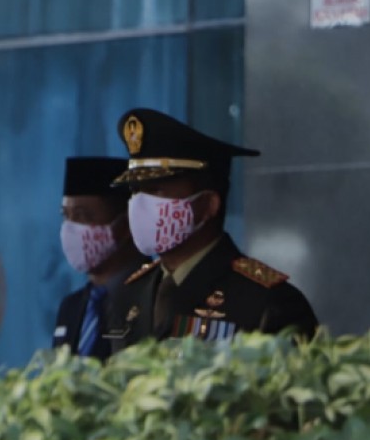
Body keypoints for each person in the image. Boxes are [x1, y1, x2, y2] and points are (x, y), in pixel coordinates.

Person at [101, 108, 317, 353]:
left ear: (207, 205)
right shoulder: (128, 292)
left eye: (156, 191)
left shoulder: (267, 301)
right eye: (135, 190)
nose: (139, 204)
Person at [51, 156, 142, 359]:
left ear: (126, 225)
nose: (71, 229)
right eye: (66, 216)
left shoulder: (154, 298)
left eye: (83, 216)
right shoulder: (71, 307)